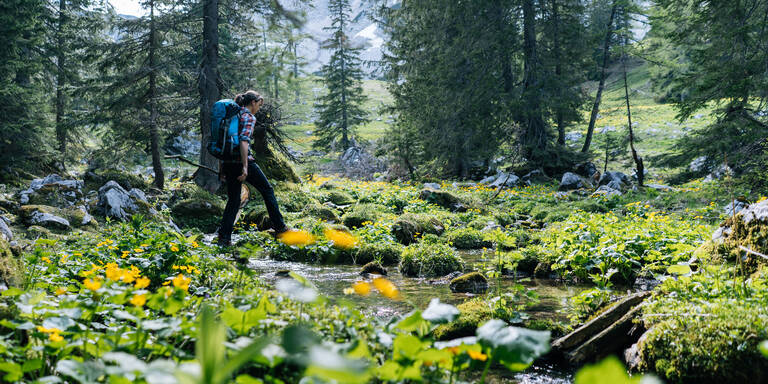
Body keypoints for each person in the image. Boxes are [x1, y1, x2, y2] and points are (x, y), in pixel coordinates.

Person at [217, 90, 289, 246]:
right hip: (242, 161)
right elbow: (243, 141)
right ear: (253, 103)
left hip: (228, 162)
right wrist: (245, 166)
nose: (259, 108)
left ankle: (224, 237)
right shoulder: (248, 116)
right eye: (259, 104)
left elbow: (223, 144)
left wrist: (222, 168)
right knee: (267, 190)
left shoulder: (232, 116)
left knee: (234, 200)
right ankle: (280, 228)